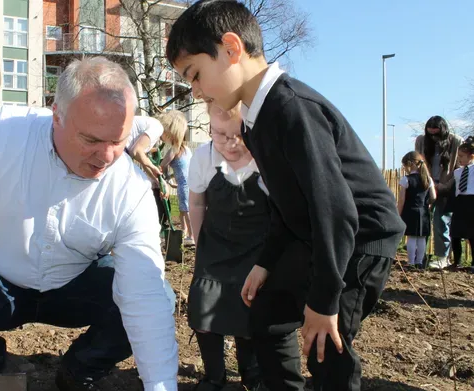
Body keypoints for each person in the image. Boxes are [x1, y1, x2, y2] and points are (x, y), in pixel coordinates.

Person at [0, 40, 177, 391]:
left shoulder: (129, 188)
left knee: (158, 298)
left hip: (74, 285)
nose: (106, 156)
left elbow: (144, 297)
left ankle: (79, 369)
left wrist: (162, 386)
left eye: (118, 141)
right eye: (91, 139)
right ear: (56, 114)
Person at [166, 2, 406, 390]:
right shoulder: (254, 119)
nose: (195, 91)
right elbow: (285, 202)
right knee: (267, 314)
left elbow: (336, 211)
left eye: (195, 75)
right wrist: (265, 263)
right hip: (313, 233)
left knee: (326, 344)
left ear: (231, 49)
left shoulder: (292, 108)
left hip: (359, 238)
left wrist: (325, 300)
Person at [186, 103, 264, 390]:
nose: (230, 143)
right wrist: (198, 241)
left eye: (238, 134)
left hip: (255, 250)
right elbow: (196, 201)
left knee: (249, 312)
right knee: (204, 309)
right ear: (209, 129)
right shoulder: (203, 157)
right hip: (214, 247)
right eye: (220, 134)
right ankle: (214, 375)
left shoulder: (264, 159)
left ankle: (251, 374)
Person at [415, 116, 463, 269]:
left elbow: (459, 169)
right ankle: (419, 257)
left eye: (436, 134)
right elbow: (418, 164)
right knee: (422, 222)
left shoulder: (455, 141)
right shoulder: (421, 141)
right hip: (426, 186)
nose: (433, 137)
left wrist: (443, 187)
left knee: (441, 223)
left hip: (446, 188)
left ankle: (443, 258)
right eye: (430, 134)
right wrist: (427, 184)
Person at [158, 110, 193, 244]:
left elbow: (162, 164)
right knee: (183, 210)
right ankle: (184, 233)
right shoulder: (186, 149)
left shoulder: (174, 149)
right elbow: (182, 168)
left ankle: (191, 236)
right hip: (188, 182)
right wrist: (171, 179)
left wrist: (166, 179)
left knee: (186, 210)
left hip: (184, 184)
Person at [397, 152, 436, 268]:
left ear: (410, 164)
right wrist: (426, 204)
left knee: (411, 237)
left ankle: (411, 262)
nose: (404, 168)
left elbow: (401, 200)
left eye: (404, 166)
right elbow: (433, 197)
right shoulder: (428, 179)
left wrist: (399, 214)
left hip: (410, 211)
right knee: (422, 237)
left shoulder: (406, 179)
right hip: (423, 212)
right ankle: (419, 262)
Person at [450, 137, 474, 271]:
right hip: (460, 202)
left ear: (471, 156)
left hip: (472, 201)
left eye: (462, 156)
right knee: (455, 232)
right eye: (458, 156)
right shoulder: (457, 172)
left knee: (472, 234)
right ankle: (456, 261)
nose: (459, 159)